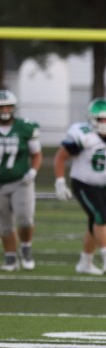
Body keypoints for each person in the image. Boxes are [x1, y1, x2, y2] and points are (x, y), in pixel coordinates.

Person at [53, 97, 106, 275]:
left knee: (95, 222)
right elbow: (61, 157)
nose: (104, 123)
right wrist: (60, 182)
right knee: (100, 217)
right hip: (83, 183)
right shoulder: (83, 135)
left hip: (105, 185)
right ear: (91, 119)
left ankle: (85, 262)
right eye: (100, 119)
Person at [0, 90, 42, 272]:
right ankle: (10, 258)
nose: (5, 110)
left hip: (20, 181)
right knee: (4, 224)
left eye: (8, 106)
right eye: (1, 107)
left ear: (14, 108)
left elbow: (36, 154)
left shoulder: (25, 127)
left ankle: (26, 247)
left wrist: (33, 171)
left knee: (25, 219)